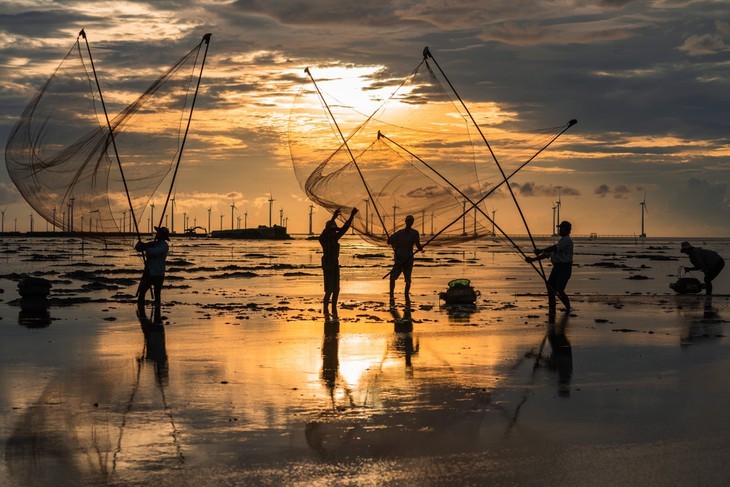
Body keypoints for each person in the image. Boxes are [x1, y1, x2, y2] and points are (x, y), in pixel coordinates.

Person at [526, 220, 573, 313]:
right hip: (557, 268)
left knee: (559, 289)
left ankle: (568, 308)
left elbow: (554, 248)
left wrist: (541, 250)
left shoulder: (567, 240)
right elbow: (547, 254)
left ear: (567, 230)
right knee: (550, 287)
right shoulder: (562, 241)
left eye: (561, 229)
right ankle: (552, 307)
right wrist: (532, 259)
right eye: (559, 228)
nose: (559, 230)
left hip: (565, 268)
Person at [319, 207, 358, 319]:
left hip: (335, 265)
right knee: (329, 290)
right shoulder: (323, 239)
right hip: (327, 265)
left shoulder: (335, 238)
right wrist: (333, 217)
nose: (333, 232)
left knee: (336, 289)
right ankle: (326, 309)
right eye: (331, 230)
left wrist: (352, 216)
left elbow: (345, 228)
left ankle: (334, 309)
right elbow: (326, 231)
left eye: (333, 231)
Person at [135, 226, 170, 324]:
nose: (156, 234)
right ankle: (142, 314)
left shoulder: (164, 245)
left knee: (157, 294)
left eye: (158, 233)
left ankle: (157, 317)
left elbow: (154, 252)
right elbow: (139, 248)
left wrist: (147, 246)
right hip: (149, 271)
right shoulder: (154, 243)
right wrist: (143, 245)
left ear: (162, 235)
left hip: (158, 273)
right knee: (142, 292)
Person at [388, 215, 423, 305]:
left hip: (408, 259)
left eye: (411, 221)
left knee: (407, 279)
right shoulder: (400, 233)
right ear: (406, 222)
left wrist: (420, 248)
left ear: (412, 222)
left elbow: (418, 245)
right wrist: (392, 240)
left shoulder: (415, 233)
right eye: (409, 221)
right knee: (392, 277)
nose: (410, 222)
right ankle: (391, 294)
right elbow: (389, 241)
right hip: (399, 259)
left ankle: (406, 295)